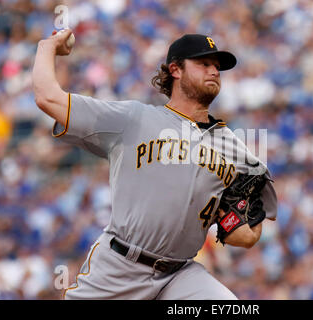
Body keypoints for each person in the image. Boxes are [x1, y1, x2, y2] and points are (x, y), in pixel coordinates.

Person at [32, 29, 278, 300]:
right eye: (204, 64)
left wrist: (243, 224)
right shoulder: (134, 119)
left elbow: (242, 236)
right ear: (176, 69)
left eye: (217, 67)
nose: (214, 71)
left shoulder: (236, 151)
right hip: (119, 267)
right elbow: (48, 97)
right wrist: (48, 47)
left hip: (180, 276)